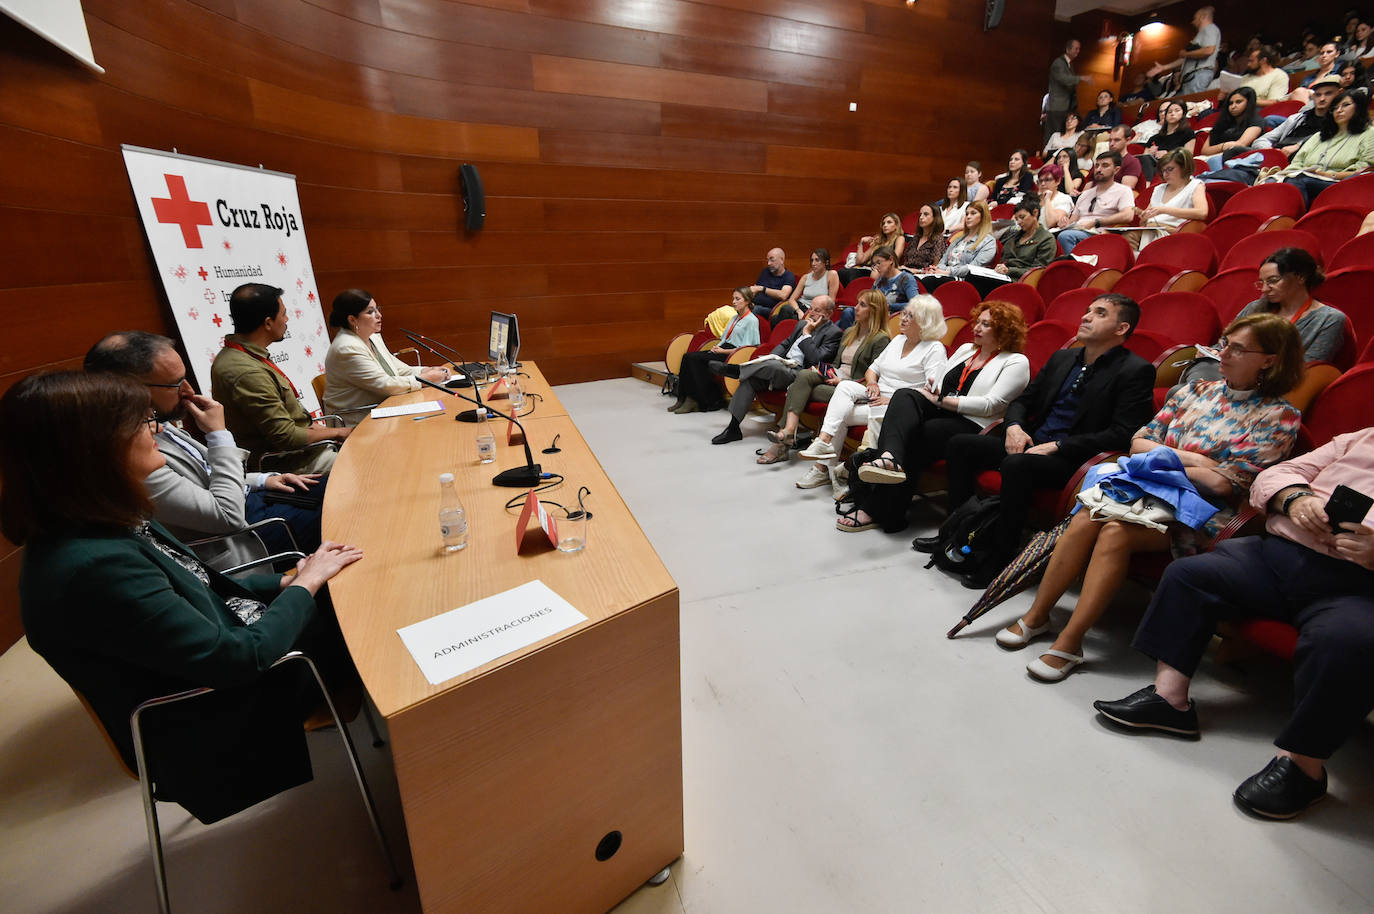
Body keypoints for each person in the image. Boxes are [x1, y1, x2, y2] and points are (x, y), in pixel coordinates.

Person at [3, 370, 364, 819]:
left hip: (230, 654)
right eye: (141, 423)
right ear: (91, 450)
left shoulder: (99, 518)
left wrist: (286, 582)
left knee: (351, 584)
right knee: (368, 614)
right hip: (217, 714)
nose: (159, 430)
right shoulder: (90, 566)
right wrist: (307, 585)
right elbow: (237, 660)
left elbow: (196, 583)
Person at [997, 313, 1303, 682]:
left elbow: (1227, 485)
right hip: (1145, 495)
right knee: (1086, 516)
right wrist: (1196, 460)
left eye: (1238, 349)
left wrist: (1163, 459)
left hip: (1201, 513)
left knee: (1114, 532)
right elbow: (1138, 442)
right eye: (1225, 344)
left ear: (1270, 359)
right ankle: (1037, 615)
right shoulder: (1194, 391)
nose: (1223, 354)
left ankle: (1071, 640)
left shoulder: (1279, 416)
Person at [1092, 424, 1374, 819]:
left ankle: (1303, 768)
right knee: (1189, 575)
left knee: (1347, 642)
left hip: (1360, 586)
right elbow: (1277, 474)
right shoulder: (1360, 436)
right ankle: (1170, 701)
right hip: (1282, 553)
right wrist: (1295, 499)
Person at [934, 294, 1156, 588]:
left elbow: (1122, 433)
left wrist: (1058, 446)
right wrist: (1013, 427)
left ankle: (1001, 557)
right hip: (1031, 444)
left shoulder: (1135, 371)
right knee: (962, 445)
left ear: (1121, 329)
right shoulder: (1063, 358)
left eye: (1099, 313)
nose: (1086, 317)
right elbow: (1022, 402)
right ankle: (957, 532)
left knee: (1017, 466)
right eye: (1087, 311)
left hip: (1074, 460)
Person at [84, 331, 326, 563]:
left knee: (338, 486)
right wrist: (218, 434)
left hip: (248, 497)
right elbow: (228, 517)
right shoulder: (132, 452)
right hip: (242, 537)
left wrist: (261, 480)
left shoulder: (156, 420)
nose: (188, 390)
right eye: (175, 383)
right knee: (345, 513)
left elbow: (206, 474)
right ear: (130, 388)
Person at [841, 302, 1031, 532]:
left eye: (986, 324)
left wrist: (942, 401)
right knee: (904, 395)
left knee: (916, 434)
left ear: (1005, 329)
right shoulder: (966, 350)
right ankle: (890, 458)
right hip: (943, 409)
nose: (977, 327)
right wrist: (934, 389)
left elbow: (991, 405)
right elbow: (940, 382)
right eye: (977, 322)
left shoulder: (1016, 361)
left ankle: (879, 508)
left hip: (972, 423)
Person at [793, 298, 946, 530]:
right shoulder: (897, 341)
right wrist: (873, 383)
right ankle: (825, 444)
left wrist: (892, 399)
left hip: (898, 406)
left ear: (925, 322)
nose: (902, 319)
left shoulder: (934, 349)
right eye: (903, 313)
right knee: (844, 388)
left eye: (909, 316)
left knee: (846, 414)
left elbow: (930, 390)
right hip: (874, 395)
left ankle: (835, 470)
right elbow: (872, 369)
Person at [211, 283, 350, 474]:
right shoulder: (246, 371)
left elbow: (291, 421)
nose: (287, 319)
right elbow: (286, 437)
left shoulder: (248, 357)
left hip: (308, 451)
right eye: (283, 314)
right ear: (268, 323)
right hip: (295, 464)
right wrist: (339, 432)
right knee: (372, 466)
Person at [760, 290, 889, 470]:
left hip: (853, 388)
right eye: (857, 302)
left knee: (801, 387)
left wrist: (841, 381)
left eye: (862, 305)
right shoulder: (851, 331)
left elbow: (875, 375)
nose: (855, 307)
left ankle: (784, 439)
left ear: (874, 311)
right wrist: (823, 371)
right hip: (836, 377)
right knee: (804, 375)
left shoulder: (881, 339)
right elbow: (835, 363)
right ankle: (788, 431)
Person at [1182, 249, 1347, 390]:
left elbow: (1309, 370)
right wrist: (1213, 351)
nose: (1265, 289)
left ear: (1301, 277)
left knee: (1183, 393)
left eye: (1273, 281)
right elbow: (1225, 342)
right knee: (1201, 369)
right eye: (1262, 283)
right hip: (1230, 372)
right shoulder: (1255, 307)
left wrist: (1252, 366)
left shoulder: (1329, 319)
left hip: (1271, 384)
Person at [710, 296, 840, 445]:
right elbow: (785, 344)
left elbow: (816, 358)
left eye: (817, 311)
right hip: (782, 366)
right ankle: (733, 429)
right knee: (751, 379)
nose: (811, 313)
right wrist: (771, 357)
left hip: (801, 374)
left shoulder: (833, 333)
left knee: (773, 366)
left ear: (829, 314)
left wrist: (807, 334)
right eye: (810, 308)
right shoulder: (801, 324)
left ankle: (738, 370)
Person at [321, 290, 450, 425]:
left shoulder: (372, 338)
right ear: (352, 319)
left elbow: (398, 370)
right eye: (370, 311)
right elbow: (385, 385)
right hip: (357, 420)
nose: (379, 315)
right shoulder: (347, 348)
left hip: (381, 410)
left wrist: (427, 370)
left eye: (377, 309)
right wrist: (426, 380)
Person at [1203, 75, 1342, 185]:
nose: (1322, 99)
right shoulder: (1297, 118)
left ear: (1339, 94)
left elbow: (1324, 140)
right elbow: (1263, 139)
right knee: (1232, 152)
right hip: (1276, 151)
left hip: (1300, 156)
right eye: (1318, 95)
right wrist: (1272, 152)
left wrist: (1297, 146)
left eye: (1328, 94)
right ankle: (1219, 181)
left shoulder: (1338, 121)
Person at [1265, 87, 1374, 205]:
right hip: (1306, 176)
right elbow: (1298, 162)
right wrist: (1281, 175)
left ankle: (1294, 221)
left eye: (1345, 105)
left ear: (1359, 107)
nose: (1339, 110)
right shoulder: (1319, 136)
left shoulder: (1369, 133)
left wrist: (1331, 175)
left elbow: (1366, 169)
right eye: (1335, 108)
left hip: (1340, 183)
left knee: (1298, 181)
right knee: (1270, 183)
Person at [669, 287, 759, 414]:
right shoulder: (735, 318)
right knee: (687, 357)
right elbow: (724, 338)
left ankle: (696, 400)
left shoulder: (752, 321)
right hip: (722, 349)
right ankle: (682, 397)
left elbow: (746, 348)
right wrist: (716, 348)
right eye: (733, 298)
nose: (734, 302)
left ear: (747, 301)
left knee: (694, 360)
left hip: (733, 354)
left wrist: (722, 351)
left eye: (737, 299)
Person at [1055, 151, 1137, 255]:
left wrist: (1097, 222)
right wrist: (1065, 223)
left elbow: (1128, 216)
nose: (1098, 169)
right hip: (1078, 230)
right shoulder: (1085, 194)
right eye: (1097, 165)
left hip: (1100, 233)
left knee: (1065, 236)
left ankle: (1077, 267)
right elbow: (1072, 221)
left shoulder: (1123, 191)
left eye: (1105, 166)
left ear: (1116, 170)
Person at [1133, 149, 1208, 249]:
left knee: (1130, 237)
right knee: (1122, 238)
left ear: (1183, 168)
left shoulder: (1195, 185)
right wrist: (1143, 215)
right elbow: (1145, 220)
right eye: (1163, 170)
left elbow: (1202, 213)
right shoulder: (1158, 189)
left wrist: (1163, 210)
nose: (1165, 174)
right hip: (1152, 229)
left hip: (1175, 232)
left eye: (1170, 169)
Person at [1148, 5, 1221, 95]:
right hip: (1191, 76)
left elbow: (1209, 50)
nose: (1193, 22)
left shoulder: (1210, 28)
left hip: (1199, 73)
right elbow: (1186, 58)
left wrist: (1185, 53)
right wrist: (1164, 67)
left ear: (1203, 17)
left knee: (1193, 104)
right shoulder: (1201, 34)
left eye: (1195, 18)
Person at [924, 202, 997, 287]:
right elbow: (943, 261)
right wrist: (937, 270)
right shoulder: (958, 238)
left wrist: (947, 272)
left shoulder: (989, 242)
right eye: (967, 214)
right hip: (945, 275)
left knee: (928, 281)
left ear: (983, 216)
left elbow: (973, 268)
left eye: (973, 213)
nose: (968, 217)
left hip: (964, 281)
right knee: (919, 278)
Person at [995, 198, 1057, 280]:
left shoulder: (1046, 239)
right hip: (1003, 276)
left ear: (1035, 213)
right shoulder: (1014, 235)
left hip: (1023, 281)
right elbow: (1004, 258)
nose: (1019, 222)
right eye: (1016, 219)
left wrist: (1010, 270)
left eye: (1022, 217)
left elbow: (1037, 271)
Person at [1199, 87, 1264, 163]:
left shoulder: (1256, 120)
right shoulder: (1222, 122)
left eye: (1238, 102)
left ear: (1249, 103)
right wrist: (1224, 146)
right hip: (1212, 157)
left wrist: (1220, 148)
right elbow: (1204, 150)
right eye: (1231, 103)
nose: (1233, 106)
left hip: (1239, 159)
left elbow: (1240, 145)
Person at [1045, 39, 1086, 149]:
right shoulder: (1059, 63)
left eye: (1079, 49)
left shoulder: (1069, 64)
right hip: (1057, 106)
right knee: (1054, 134)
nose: (1078, 51)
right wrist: (1080, 78)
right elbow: (1064, 79)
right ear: (1068, 49)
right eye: (1076, 48)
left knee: (1060, 132)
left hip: (1064, 106)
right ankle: (1048, 159)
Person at [1140, 101, 1196, 178]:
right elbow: (1144, 158)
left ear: (1183, 114)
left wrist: (1168, 155)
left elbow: (1188, 157)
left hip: (1174, 168)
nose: (1172, 114)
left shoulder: (1188, 133)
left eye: (1177, 110)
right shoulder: (1154, 138)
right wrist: (1150, 153)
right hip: (1153, 167)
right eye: (1169, 112)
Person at [783, 248, 841, 314]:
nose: (813, 263)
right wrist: (798, 311)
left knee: (783, 312)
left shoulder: (831, 274)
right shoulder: (805, 277)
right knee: (782, 311)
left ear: (826, 262)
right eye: (812, 260)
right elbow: (792, 299)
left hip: (814, 311)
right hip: (800, 308)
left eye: (817, 260)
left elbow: (831, 302)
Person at [747, 248, 797, 323]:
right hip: (756, 304)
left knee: (754, 310)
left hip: (773, 310)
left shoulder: (788, 276)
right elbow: (755, 289)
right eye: (768, 260)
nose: (768, 263)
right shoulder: (765, 271)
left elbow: (783, 295)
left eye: (772, 260)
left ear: (782, 260)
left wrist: (762, 289)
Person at [901, 205, 948, 274]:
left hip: (924, 276)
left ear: (935, 218)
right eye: (920, 215)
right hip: (907, 273)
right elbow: (906, 261)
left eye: (926, 214)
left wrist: (917, 271)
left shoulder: (938, 239)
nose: (921, 217)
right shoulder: (916, 238)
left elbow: (934, 268)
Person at [1037, 165, 1074, 229]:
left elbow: (1051, 223)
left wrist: (1047, 199)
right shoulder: (1034, 198)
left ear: (1058, 181)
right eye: (1040, 181)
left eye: (1047, 180)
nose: (1043, 184)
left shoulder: (1064, 199)